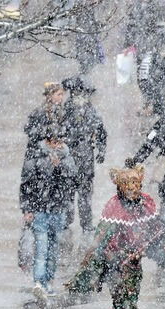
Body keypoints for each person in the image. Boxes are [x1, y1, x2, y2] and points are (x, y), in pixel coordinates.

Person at [67, 164, 165, 309]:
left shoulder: (147, 203)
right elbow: (102, 238)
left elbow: (154, 231)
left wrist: (156, 246)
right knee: (126, 303)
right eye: (127, 183)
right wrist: (112, 258)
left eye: (135, 182)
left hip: (135, 262)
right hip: (115, 262)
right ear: (119, 185)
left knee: (127, 301)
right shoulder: (113, 206)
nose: (131, 187)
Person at [20, 127, 77, 302]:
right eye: (52, 142)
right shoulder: (35, 157)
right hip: (40, 210)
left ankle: (48, 281)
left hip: (58, 210)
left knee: (53, 250)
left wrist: (59, 168)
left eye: (59, 142)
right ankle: (39, 282)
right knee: (41, 248)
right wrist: (27, 209)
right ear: (46, 141)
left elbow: (73, 182)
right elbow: (26, 184)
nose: (56, 146)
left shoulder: (67, 157)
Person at [62, 76, 107, 235]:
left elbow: (101, 132)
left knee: (85, 194)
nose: (81, 98)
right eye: (78, 95)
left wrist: (101, 150)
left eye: (84, 95)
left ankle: (86, 223)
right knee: (67, 192)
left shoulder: (92, 112)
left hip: (86, 158)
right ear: (72, 94)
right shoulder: (65, 111)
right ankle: (66, 221)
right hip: (68, 157)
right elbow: (58, 133)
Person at [24, 82, 69, 160]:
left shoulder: (60, 112)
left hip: (54, 146)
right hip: (39, 149)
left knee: (65, 151)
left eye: (62, 95)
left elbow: (63, 130)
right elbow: (30, 130)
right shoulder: (40, 112)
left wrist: (59, 141)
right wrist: (47, 139)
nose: (61, 97)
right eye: (58, 94)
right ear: (50, 96)